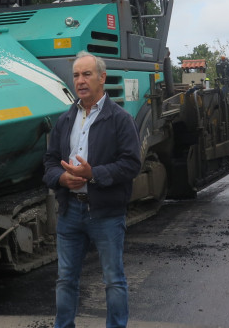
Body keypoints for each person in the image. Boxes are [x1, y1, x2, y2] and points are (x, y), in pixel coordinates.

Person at [43, 51, 142, 328]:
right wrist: (62, 178)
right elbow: (50, 161)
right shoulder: (66, 119)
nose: (80, 80)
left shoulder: (120, 119)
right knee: (65, 279)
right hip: (70, 211)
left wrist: (92, 174)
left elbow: (131, 164)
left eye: (87, 74)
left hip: (106, 213)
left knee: (113, 279)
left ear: (102, 78)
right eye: (76, 75)